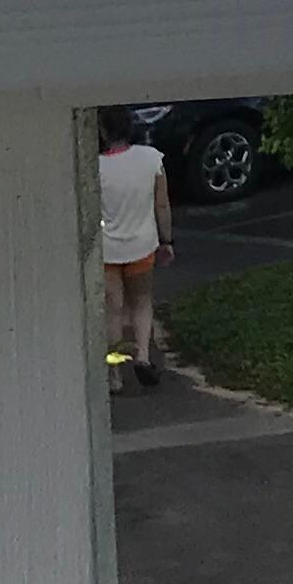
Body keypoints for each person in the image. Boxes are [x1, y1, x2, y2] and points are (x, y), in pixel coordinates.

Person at [95, 106, 172, 389]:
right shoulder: (151, 159)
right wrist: (167, 241)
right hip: (142, 245)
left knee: (112, 311)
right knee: (141, 303)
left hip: (108, 251)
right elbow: (161, 205)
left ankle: (114, 373)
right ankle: (142, 356)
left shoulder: (96, 168)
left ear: (102, 130)